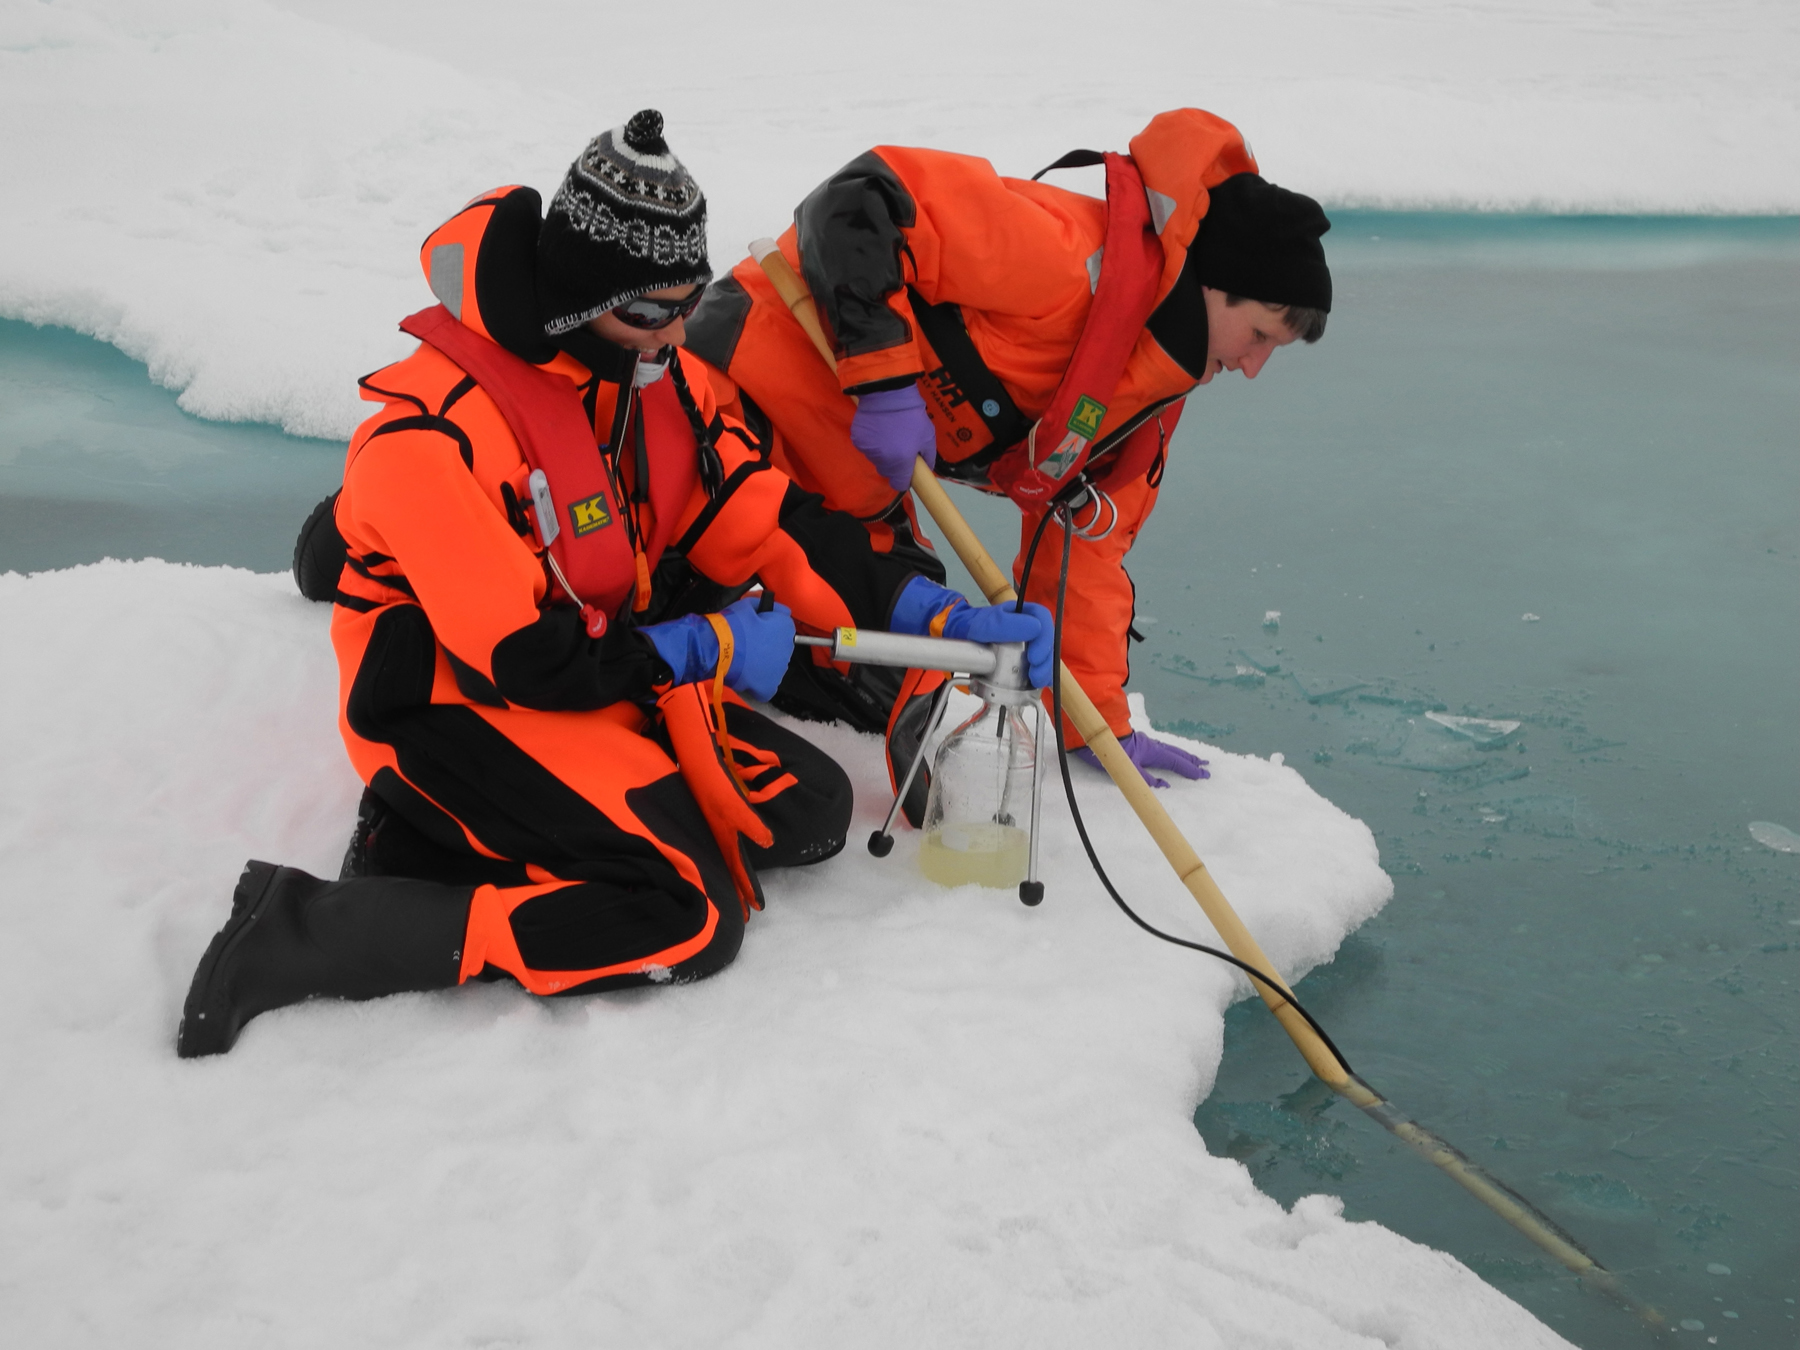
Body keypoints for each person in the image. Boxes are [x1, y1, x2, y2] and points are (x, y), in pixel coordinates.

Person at [177, 111, 1052, 1058]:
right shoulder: (426, 441)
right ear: (578, 297)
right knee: (687, 916)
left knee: (806, 815)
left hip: (594, 655)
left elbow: (770, 523)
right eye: (650, 310)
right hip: (452, 696)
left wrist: (932, 612)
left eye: (690, 300)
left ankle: (465, 832)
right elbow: (526, 659)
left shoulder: (652, 378)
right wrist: (703, 647)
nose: (677, 332)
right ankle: (306, 928)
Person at [684, 108, 1331, 790]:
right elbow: (859, 202)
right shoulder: (1060, 257)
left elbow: (1084, 551)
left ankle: (740, 650)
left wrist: (1097, 726)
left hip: (841, 488)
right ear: (1213, 286)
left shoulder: (1146, 406)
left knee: (893, 683)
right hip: (730, 395)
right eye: (1260, 335)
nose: (1254, 367)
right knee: (693, 576)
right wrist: (883, 383)